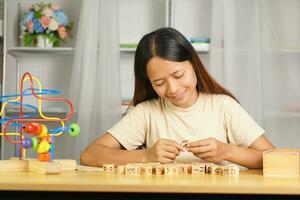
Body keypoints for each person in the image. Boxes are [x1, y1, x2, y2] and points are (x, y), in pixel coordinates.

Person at [80, 27, 274, 169]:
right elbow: (90, 155)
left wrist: (227, 151)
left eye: (178, 75)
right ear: (148, 82)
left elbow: (274, 159)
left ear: (193, 64)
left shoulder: (224, 107)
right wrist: (146, 156)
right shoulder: (147, 112)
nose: (173, 89)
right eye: (159, 83)